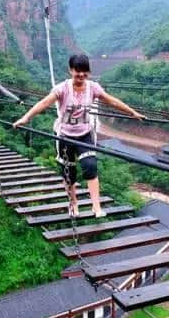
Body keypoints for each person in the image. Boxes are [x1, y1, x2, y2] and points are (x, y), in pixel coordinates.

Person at [13, 54, 145, 218]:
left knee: (90, 166)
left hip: (85, 134)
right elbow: (44, 103)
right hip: (64, 136)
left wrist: (132, 112)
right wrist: (25, 118)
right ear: (70, 70)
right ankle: (73, 203)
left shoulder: (93, 88)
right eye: (78, 72)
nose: (81, 76)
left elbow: (112, 101)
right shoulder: (62, 88)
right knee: (69, 173)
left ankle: (96, 207)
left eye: (85, 72)